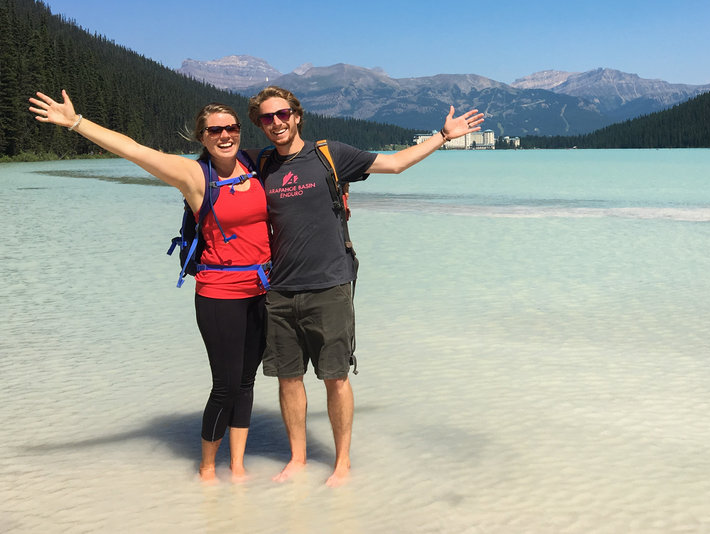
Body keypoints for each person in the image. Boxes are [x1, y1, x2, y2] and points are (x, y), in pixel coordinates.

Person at [246, 85, 484, 487]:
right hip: (280, 289)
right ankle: (298, 459)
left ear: (297, 115)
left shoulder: (329, 154)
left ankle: (341, 463)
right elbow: (211, 168)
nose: (276, 123)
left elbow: (393, 164)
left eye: (282, 114)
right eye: (267, 118)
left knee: (335, 376)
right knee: (288, 378)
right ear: (260, 124)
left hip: (330, 285)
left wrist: (442, 136)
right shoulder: (260, 163)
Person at [28, 90, 270, 483]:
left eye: (232, 128)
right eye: (215, 130)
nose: (225, 135)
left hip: (261, 291)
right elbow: (136, 151)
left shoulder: (254, 164)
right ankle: (207, 470)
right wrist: (76, 122)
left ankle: (238, 466)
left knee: (246, 382)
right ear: (202, 136)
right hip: (219, 294)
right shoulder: (194, 176)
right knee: (225, 386)